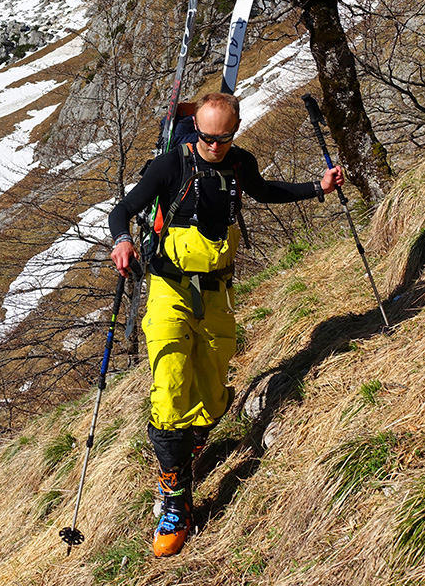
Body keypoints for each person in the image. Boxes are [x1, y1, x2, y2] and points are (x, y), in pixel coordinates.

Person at [108, 92, 344, 558]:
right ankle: (175, 498)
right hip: (170, 290)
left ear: (235, 132)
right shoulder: (170, 165)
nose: (214, 146)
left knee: (214, 390)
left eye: (224, 138)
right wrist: (121, 241)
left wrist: (317, 188)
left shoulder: (239, 163)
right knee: (170, 385)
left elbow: (265, 191)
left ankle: (191, 444)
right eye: (207, 138)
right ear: (195, 129)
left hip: (217, 291)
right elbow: (123, 210)